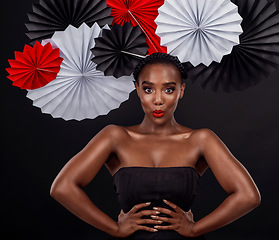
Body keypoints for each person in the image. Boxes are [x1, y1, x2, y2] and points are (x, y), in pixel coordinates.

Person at [50, 52, 261, 239]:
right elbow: (62, 187)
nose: (158, 100)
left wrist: (194, 229)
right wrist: (115, 229)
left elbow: (248, 196)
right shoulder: (115, 137)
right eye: (149, 89)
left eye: (168, 90)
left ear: (181, 91)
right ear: (138, 90)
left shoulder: (200, 140)